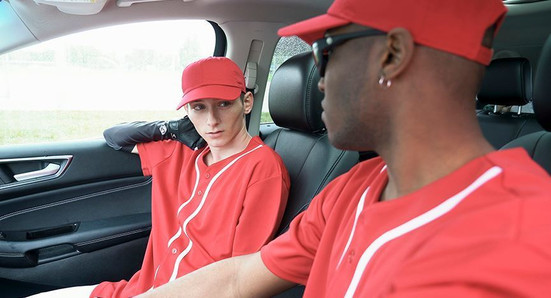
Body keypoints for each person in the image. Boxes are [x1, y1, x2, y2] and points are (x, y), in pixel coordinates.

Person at [138, 0, 551, 297]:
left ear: (393, 55)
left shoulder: (526, 239)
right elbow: (238, 278)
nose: (318, 79)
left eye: (326, 52)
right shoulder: (353, 188)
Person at [29, 57, 290, 298]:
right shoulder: (182, 152)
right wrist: (171, 128)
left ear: (246, 102)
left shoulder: (263, 168)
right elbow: (114, 136)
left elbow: (241, 275)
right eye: (199, 107)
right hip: (143, 287)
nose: (212, 120)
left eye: (224, 104)